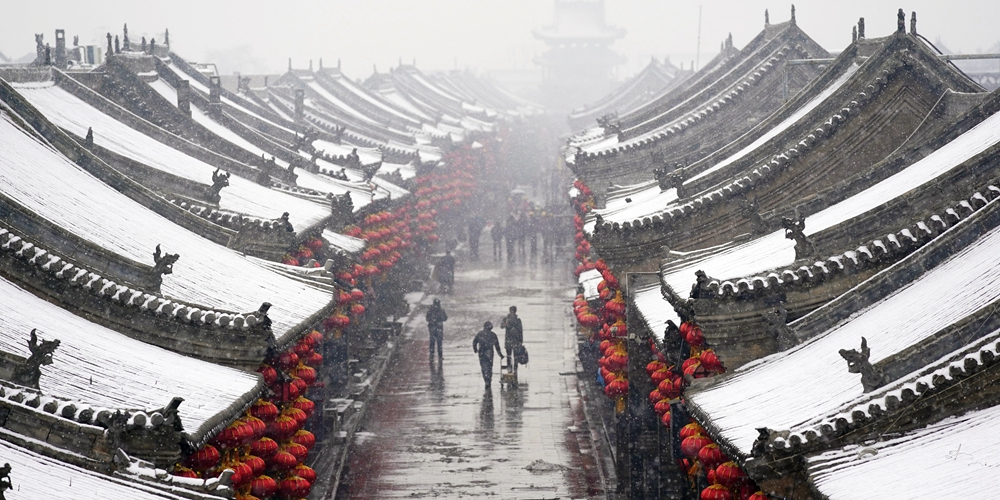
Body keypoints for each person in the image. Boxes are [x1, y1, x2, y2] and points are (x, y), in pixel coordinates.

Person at [473, 321, 504, 389]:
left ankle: (486, 379)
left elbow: (474, 342)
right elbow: (497, 346)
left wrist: (475, 349)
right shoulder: (493, 335)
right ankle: (489, 380)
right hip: (489, 353)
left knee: (483, 367)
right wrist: (500, 355)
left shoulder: (480, 334)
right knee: (489, 367)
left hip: (481, 353)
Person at [500, 306, 523, 374]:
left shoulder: (518, 320)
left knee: (513, 356)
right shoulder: (507, 319)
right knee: (510, 356)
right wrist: (505, 324)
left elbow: (520, 330)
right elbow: (501, 326)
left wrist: (520, 341)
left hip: (512, 340)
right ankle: (511, 369)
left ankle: (513, 369)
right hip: (511, 340)